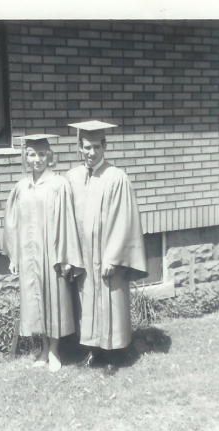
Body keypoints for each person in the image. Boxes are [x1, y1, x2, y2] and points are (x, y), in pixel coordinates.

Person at [65, 121, 148, 374]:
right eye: (87, 147)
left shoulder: (117, 178)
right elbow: (66, 219)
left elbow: (125, 220)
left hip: (107, 255)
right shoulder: (72, 178)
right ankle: (94, 351)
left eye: (97, 147)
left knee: (111, 301)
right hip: (85, 257)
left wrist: (113, 257)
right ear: (79, 147)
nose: (92, 153)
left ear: (105, 146)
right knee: (88, 302)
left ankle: (115, 354)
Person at [3, 134, 83, 372]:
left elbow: (67, 221)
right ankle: (45, 348)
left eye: (41, 154)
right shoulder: (21, 187)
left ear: (49, 157)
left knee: (54, 300)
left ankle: (56, 350)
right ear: (26, 157)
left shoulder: (59, 184)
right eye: (31, 154)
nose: (36, 159)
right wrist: (14, 256)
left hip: (51, 254)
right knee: (34, 302)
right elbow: (12, 224)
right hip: (28, 256)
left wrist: (66, 256)